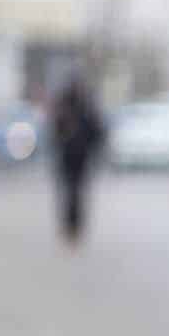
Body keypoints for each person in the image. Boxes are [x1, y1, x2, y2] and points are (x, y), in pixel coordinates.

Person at [49, 76, 105, 245]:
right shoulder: (69, 108)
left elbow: (97, 132)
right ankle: (70, 226)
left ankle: (74, 226)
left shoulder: (84, 109)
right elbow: (55, 131)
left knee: (75, 193)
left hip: (79, 158)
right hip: (69, 157)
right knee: (70, 193)